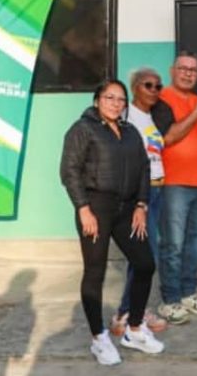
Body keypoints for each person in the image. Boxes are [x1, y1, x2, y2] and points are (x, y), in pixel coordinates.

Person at [60, 80, 165, 365]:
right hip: (96, 207)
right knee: (95, 272)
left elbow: (144, 168)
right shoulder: (83, 129)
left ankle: (134, 330)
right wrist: (83, 208)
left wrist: (141, 205)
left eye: (121, 99)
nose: (116, 103)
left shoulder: (130, 132)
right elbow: (69, 171)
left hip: (127, 209)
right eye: (110, 97)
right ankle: (99, 338)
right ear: (97, 100)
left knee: (145, 264)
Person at [157, 52, 197, 325]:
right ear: (172, 71)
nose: (189, 73)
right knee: (173, 243)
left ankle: (188, 292)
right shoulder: (163, 99)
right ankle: (169, 300)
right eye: (183, 68)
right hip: (176, 183)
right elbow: (169, 137)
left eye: (193, 70)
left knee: (196, 241)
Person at [110, 69, 171, 337]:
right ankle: (126, 313)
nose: (154, 90)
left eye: (158, 86)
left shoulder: (153, 116)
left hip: (157, 190)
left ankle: (134, 309)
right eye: (148, 85)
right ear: (135, 88)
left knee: (146, 255)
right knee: (143, 256)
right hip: (139, 195)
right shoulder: (127, 115)